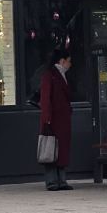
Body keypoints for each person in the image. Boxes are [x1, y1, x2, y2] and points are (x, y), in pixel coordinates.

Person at [39, 48, 73, 191]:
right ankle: (52, 181)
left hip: (62, 119)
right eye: (69, 61)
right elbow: (45, 98)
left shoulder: (61, 75)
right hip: (53, 119)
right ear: (62, 61)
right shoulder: (50, 75)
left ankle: (61, 180)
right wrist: (47, 119)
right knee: (51, 149)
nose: (70, 64)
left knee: (61, 150)